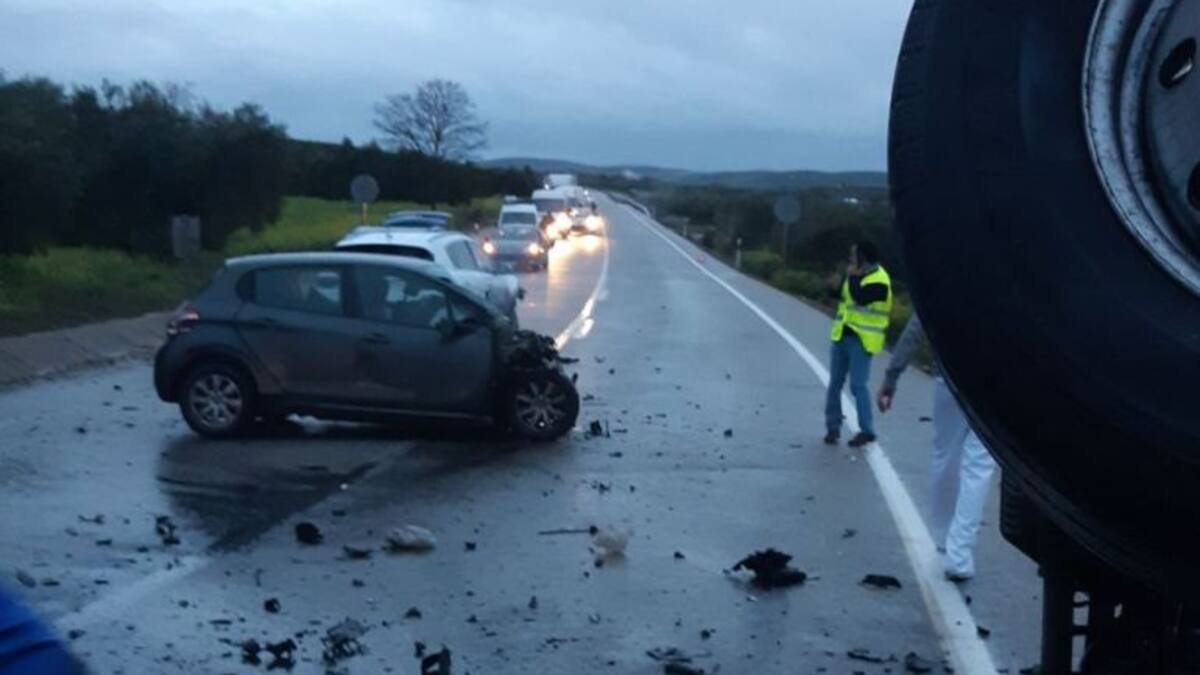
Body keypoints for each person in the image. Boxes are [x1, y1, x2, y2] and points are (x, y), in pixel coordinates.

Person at [877, 314, 997, 581]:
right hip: (994, 378)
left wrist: (892, 376)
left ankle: (943, 536)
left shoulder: (945, 277)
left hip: (951, 377)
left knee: (945, 456)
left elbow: (915, 327)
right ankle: (960, 555)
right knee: (979, 466)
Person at [823, 240, 893, 447]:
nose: (851, 259)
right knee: (834, 384)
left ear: (863, 258)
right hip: (841, 336)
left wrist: (852, 276)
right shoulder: (853, 274)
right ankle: (832, 428)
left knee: (858, 386)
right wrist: (832, 287)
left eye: (854, 255)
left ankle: (867, 430)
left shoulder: (880, 280)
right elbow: (842, 297)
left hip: (862, 341)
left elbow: (860, 298)